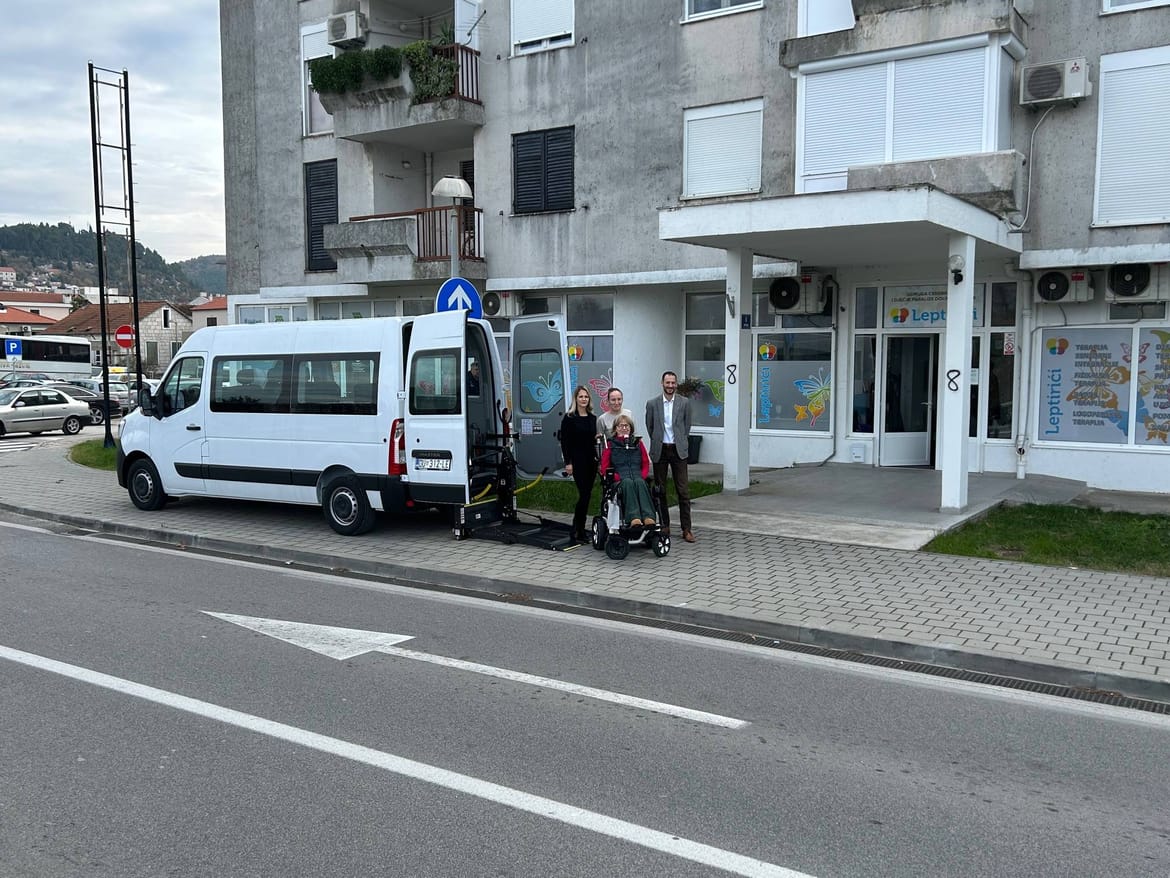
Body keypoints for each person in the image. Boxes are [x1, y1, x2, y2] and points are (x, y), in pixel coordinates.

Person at [644, 370, 695, 543]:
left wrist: (680, 441)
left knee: (683, 491)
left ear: (676, 384)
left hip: (678, 450)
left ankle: (686, 529)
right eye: (668, 382)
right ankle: (664, 524)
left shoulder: (684, 403)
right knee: (660, 490)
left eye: (673, 383)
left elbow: (686, 426)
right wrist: (658, 440)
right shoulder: (652, 404)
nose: (670, 386)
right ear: (662, 383)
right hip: (661, 450)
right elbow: (650, 426)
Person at [598, 414, 656, 529]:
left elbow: (645, 462)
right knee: (628, 483)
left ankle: (648, 517)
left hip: (637, 476)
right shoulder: (611, 445)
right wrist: (616, 477)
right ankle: (634, 517)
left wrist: (642, 475)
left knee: (640, 482)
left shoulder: (638, 443)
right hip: (619, 480)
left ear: (631, 428)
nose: (624, 428)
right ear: (616, 428)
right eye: (621, 426)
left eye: (627, 426)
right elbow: (604, 468)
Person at [560, 385, 598, 542]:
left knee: (587, 495)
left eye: (586, 397)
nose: (584, 399)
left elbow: (593, 440)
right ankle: (577, 529)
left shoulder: (593, 418)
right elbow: (565, 442)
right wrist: (568, 463)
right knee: (584, 494)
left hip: (591, 461)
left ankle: (579, 528)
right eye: (581, 396)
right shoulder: (569, 418)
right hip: (577, 461)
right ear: (576, 399)